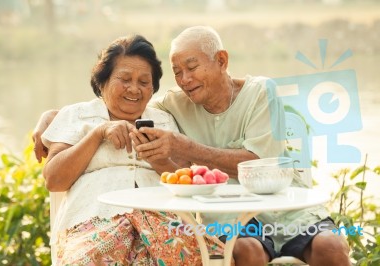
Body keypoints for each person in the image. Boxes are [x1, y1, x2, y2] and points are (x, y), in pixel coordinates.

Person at [33, 27, 351, 266]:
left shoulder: (174, 114)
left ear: (222, 61)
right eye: (177, 72)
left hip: (255, 211)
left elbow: (208, 174)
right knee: (243, 251)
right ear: (102, 83)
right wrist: (62, 120)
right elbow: (58, 174)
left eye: (144, 83)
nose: (184, 79)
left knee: (328, 248)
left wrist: (170, 154)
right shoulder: (93, 114)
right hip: (103, 221)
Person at [39, 34, 223, 265]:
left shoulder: (163, 120)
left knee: (211, 258)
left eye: (144, 82)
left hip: (163, 223)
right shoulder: (76, 116)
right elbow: (54, 180)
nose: (134, 89)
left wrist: (159, 161)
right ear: (102, 81)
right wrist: (98, 134)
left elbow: (186, 182)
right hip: (95, 221)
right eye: (125, 79)